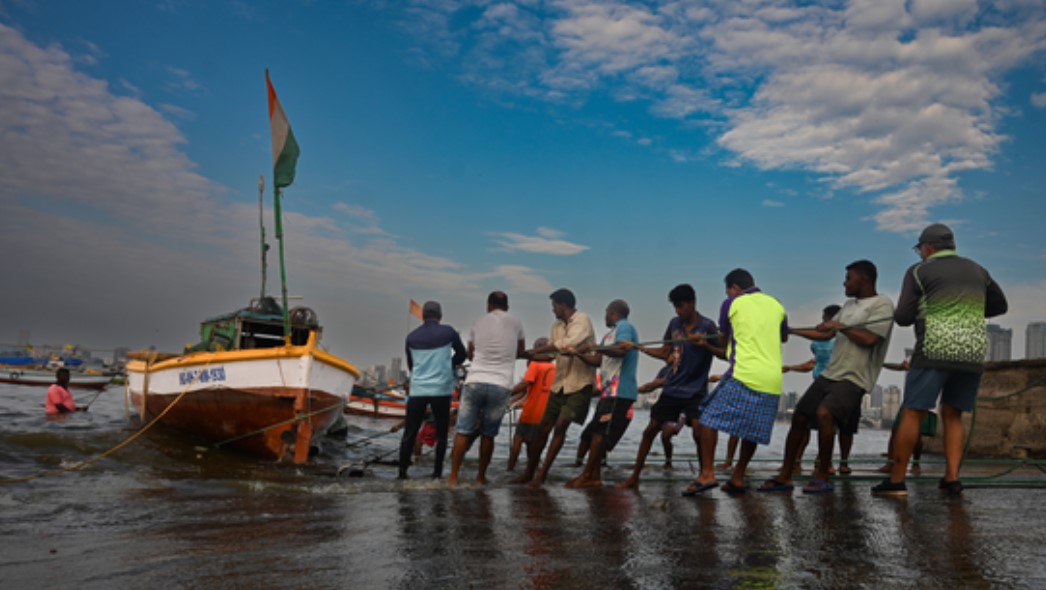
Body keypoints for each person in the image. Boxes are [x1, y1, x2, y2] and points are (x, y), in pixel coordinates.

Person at [873, 224, 1007, 496]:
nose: (919, 253)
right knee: (953, 414)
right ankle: (952, 478)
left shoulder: (918, 271)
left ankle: (897, 481)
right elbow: (1000, 306)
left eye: (919, 249)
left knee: (913, 411)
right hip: (971, 352)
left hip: (935, 348)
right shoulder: (978, 270)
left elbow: (903, 316)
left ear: (928, 247)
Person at [760, 260, 893, 494]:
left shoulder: (882, 304)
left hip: (855, 377)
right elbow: (825, 333)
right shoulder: (849, 305)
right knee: (800, 415)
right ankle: (785, 475)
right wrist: (790, 331)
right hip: (832, 373)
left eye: (849, 278)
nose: (844, 282)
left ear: (864, 279)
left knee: (825, 414)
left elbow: (871, 339)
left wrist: (839, 325)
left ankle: (822, 474)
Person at [686, 269, 788, 495]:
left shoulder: (731, 303)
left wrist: (703, 341)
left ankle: (707, 474)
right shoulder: (777, 304)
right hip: (772, 379)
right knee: (751, 430)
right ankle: (738, 477)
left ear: (734, 288)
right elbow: (783, 336)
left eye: (728, 290)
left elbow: (723, 344)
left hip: (744, 373)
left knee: (707, 418)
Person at [617, 284, 717, 489]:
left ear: (692, 303)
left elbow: (724, 352)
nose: (678, 311)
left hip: (696, 390)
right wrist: (637, 347)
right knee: (650, 430)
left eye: (681, 306)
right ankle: (634, 477)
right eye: (675, 307)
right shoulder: (674, 324)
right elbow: (665, 352)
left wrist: (705, 344)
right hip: (673, 387)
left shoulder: (707, 326)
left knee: (699, 431)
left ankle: (703, 475)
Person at [512, 288, 596, 487]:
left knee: (560, 427)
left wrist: (531, 351)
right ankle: (529, 472)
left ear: (563, 305)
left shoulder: (582, 320)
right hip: (559, 385)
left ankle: (542, 475)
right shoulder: (556, 326)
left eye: (554, 306)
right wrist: (526, 356)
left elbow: (565, 345)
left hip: (579, 384)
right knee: (543, 429)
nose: (553, 310)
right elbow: (551, 356)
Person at [448, 291, 526, 486]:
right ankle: (481, 477)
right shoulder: (516, 322)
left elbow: (470, 353)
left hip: (475, 381)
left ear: (488, 306)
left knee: (463, 431)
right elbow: (521, 351)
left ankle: (453, 477)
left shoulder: (478, 322)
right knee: (488, 434)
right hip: (501, 385)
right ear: (507, 307)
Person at [565, 299, 639, 488]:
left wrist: (595, 348)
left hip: (619, 390)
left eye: (606, 312)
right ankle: (593, 475)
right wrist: (579, 354)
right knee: (595, 432)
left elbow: (621, 350)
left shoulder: (624, 327)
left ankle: (590, 476)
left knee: (599, 432)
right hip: (609, 391)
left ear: (613, 312)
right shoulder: (608, 335)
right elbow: (599, 360)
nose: (605, 315)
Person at [399, 301, 467, 480]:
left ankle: (402, 474)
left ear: (423, 316)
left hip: (418, 389)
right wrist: (447, 365)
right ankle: (436, 474)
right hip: (441, 389)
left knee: (410, 432)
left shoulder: (411, 337)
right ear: (440, 316)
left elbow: (412, 365)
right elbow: (462, 354)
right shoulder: (448, 332)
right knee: (442, 433)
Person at [782, 304, 841, 473]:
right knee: (804, 421)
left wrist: (791, 331)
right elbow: (813, 364)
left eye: (824, 318)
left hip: (835, 384)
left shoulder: (841, 338)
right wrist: (791, 367)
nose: (821, 321)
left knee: (828, 425)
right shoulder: (816, 343)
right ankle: (796, 462)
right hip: (818, 383)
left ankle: (824, 463)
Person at [506, 338, 555, 472]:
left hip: (531, 412)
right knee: (533, 443)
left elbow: (524, 385)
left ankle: (510, 469)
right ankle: (533, 470)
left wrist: (506, 394)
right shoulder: (555, 368)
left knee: (518, 439)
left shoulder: (535, 365)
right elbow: (528, 390)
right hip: (545, 414)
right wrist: (513, 401)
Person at [636, 361, 686, 469]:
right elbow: (653, 386)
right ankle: (640, 463)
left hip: (680, 409)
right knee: (649, 432)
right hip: (664, 406)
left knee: (666, 435)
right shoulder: (665, 370)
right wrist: (638, 390)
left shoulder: (685, 368)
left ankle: (668, 462)